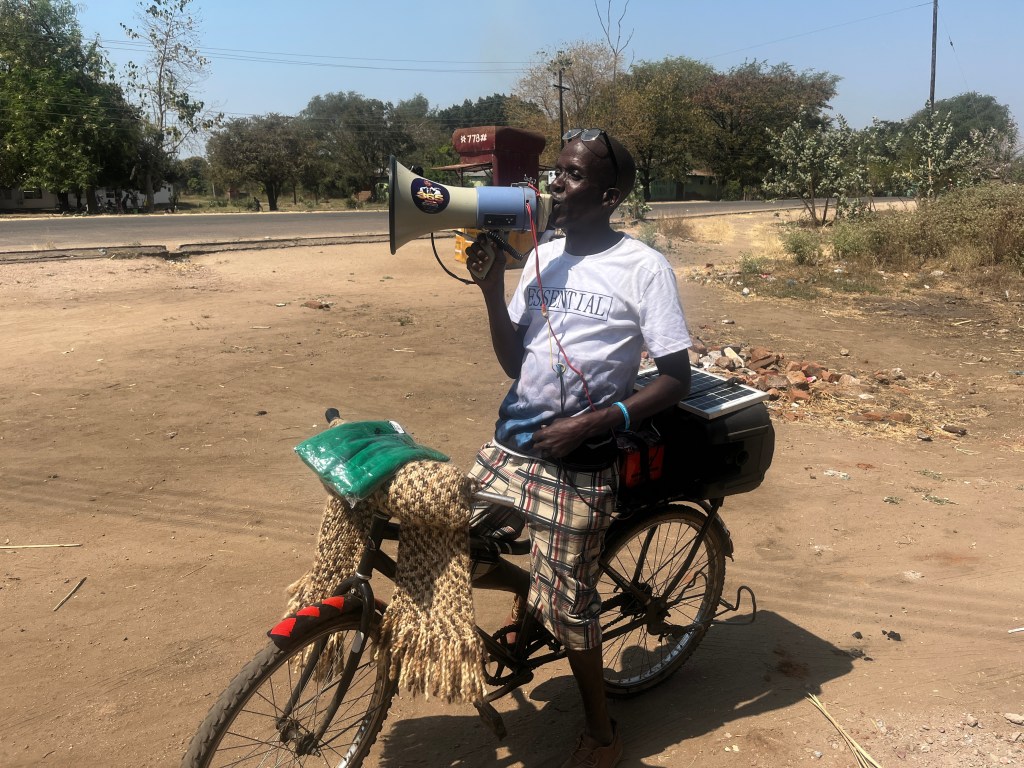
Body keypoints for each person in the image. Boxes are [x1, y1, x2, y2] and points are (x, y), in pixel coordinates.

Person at [464, 130, 693, 768]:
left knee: (571, 611)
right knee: (454, 544)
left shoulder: (643, 267)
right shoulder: (543, 256)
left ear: (609, 193)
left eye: (569, 174)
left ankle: (601, 734)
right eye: (553, 172)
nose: (553, 183)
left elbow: (678, 378)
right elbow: (517, 363)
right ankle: (535, 594)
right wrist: (491, 290)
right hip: (512, 444)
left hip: (579, 463)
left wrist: (594, 423)